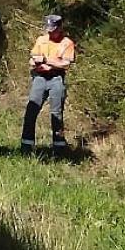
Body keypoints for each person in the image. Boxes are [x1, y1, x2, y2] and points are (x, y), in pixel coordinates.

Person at [22, 13, 75, 152]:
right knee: (31, 111)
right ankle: (26, 145)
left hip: (56, 79)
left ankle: (59, 147)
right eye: (48, 30)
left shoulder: (67, 43)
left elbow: (65, 64)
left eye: (53, 30)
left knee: (56, 114)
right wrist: (36, 62)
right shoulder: (41, 40)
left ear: (59, 28)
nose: (50, 33)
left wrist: (47, 61)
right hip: (39, 78)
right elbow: (33, 58)